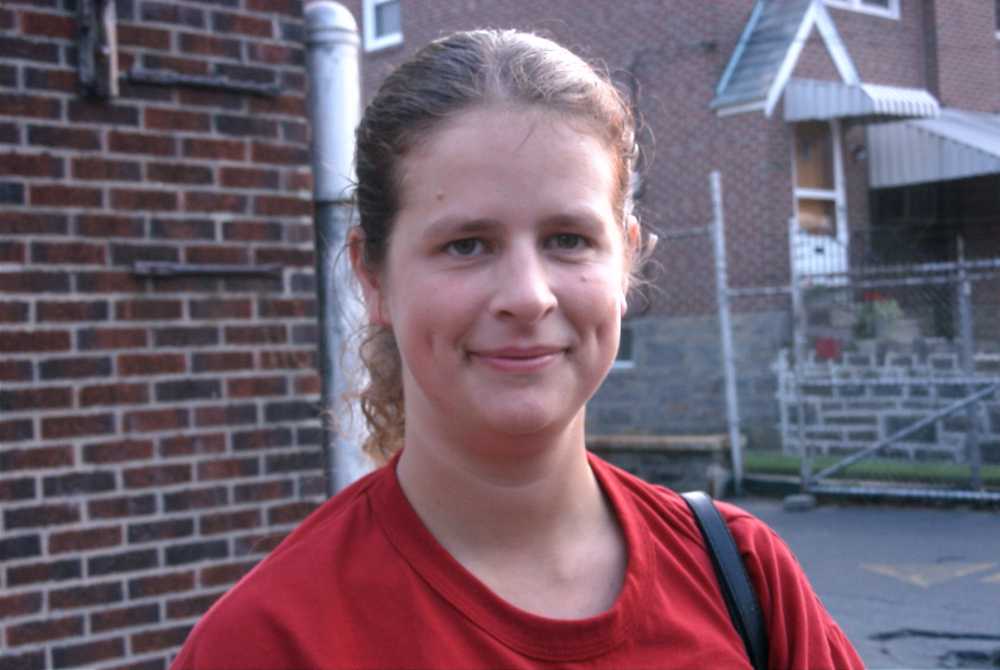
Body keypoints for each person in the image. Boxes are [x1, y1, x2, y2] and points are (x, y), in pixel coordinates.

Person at [171, 29, 863, 670]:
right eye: (466, 244)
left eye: (568, 239)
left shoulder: (742, 576)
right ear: (373, 277)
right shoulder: (269, 641)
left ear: (625, 260)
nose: (528, 297)